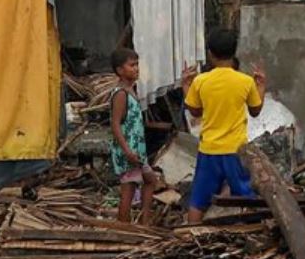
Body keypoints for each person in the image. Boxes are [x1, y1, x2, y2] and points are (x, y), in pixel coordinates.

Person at [179, 30, 266, 224]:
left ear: (210, 53)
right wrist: (260, 86)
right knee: (247, 197)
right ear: (234, 52)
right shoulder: (245, 81)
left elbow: (194, 111)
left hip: (209, 149)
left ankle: (191, 239)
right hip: (236, 150)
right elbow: (255, 111)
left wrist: (186, 85)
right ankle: (253, 234)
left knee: (198, 202)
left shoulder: (201, 81)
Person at [108, 47, 158, 223]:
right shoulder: (121, 94)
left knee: (150, 180)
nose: (136, 68)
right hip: (128, 151)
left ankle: (144, 222)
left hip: (137, 151)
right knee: (128, 191)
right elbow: (115, 124)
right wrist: (127, 150)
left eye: (137, 65)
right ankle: (124, 230)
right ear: (120, 70)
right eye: (131, 65)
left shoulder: (131, 91)